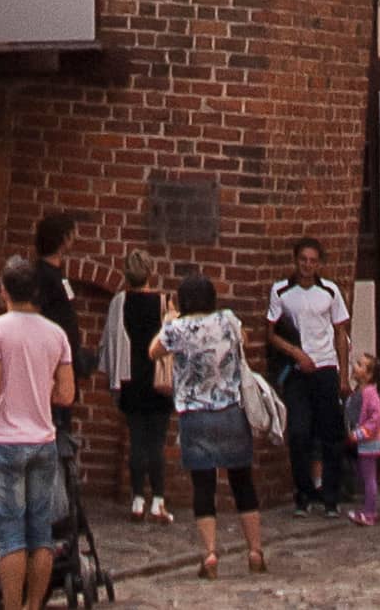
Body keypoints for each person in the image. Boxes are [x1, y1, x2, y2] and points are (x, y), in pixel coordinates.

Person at [0, 253, 76, 610]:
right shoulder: (56, 334)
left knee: (11, 535)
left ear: (4, 291)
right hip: (42, 441)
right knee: (40, 534)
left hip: (4, 441)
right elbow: (66, 394)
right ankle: (33, 605)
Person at [151, 271, 268, 579]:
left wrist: (169, 321)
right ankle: (255, 550)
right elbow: (244, 340)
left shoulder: (178, 328)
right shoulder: (228, 319)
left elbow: (154, 351)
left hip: (195, 414)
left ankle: (210, 554)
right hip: (230, 409)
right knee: (242, 480)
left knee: (204, 485)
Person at [266, 237, 350, 516]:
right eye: (303, 260)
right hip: (299, 371)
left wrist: (343, 374)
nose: (307, 265)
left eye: (313, 261)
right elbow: (272, 333)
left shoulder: (329, 291)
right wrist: (295, 353)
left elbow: (339, 331)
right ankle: (303, 493)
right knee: (299, 433)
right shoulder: (281, 291)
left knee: (330, 435)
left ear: (319, 264)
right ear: (296, 260)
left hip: (325, 367)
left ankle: (331, 495)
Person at [102, 249, 171, 519]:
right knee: (156, 444)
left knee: (137, 442)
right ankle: (158, 500)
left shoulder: (119, 302)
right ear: (150, 272)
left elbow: (109, 340)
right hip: (158, 381)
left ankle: (137, 499)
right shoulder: (164, 302)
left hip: (131, 378)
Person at [31, 210, 88, 430]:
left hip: (65, 361)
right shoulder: (42, 276)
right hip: (50, 365)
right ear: (63, 238)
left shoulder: (58, 274)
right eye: (72, 234)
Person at [343, 354, 380, 525]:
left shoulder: (370, 394)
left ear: (368, 375)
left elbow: (375, 420)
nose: (355, 366)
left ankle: (369, 513)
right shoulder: (359, 392)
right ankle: (368, 509)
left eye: (360, 365)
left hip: (369, 442)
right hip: (363, 441)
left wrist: (359, 433)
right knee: (365, 475)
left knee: (369, 478)